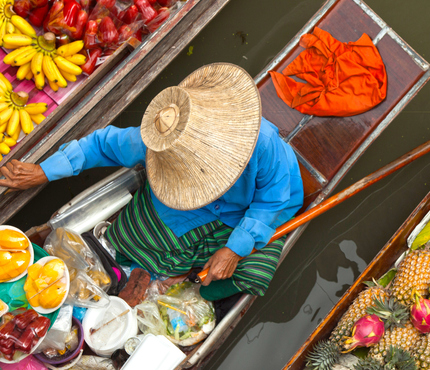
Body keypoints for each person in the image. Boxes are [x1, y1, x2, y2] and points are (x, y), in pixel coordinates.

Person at [0, 63, 304, 301]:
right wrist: (44, 171)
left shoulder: (261, 145)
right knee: (133, 237)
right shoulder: (160, 142)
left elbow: (272, 201)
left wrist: (235, 248)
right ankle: (149, 270)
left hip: (249, 210)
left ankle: (187, 276)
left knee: (248, 272)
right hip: (184, 198)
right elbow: (100, 145)